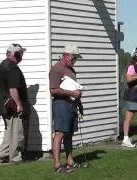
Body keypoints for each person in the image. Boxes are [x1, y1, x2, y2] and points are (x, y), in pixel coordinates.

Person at [49, 44, 83, 173]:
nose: (75, 61)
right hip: (61, 104)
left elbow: (73, 88)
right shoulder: (56, 69)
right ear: (67, 55)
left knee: (69, 134)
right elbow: (53, 90)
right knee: (59, 134)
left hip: (72, 104)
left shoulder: (71, 70)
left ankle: (70, 161)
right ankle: (57, 165)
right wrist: (71, 93)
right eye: (74, 58)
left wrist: (78, 98)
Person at [0, 43, 29, 163]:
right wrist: (19, 104)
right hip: (12, 104)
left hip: (3, 103)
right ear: (16, 54)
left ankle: (2, 154)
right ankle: (15, 157)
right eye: (21, 54)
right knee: (17, 131)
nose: (22, 56)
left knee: (9, 129)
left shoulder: (3, 64)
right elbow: (13, 89)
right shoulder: (13, 67)